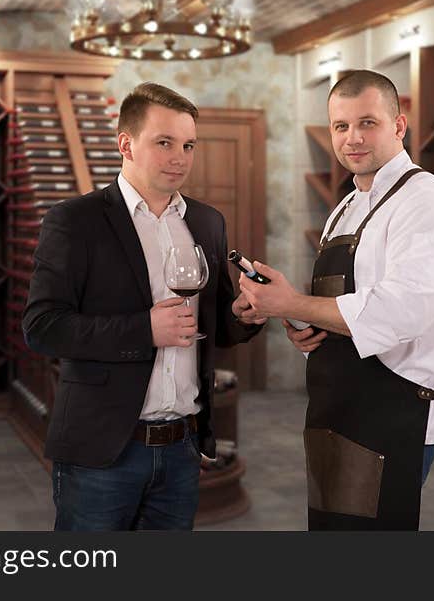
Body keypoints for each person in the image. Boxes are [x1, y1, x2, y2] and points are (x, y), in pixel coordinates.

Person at [22, 82, 265, 531]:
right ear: (126, 144)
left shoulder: (208, 223)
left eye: (189, 145)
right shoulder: (74, 221)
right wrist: (143, 329)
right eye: (165, 143)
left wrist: (247, 313)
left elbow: (219, 325)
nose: (180, 157)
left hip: (182, 448)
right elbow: (42, 327)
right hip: (102, 451)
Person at [239, 69, 434, 531]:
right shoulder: (345, 207)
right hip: (335, 410)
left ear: (398, 126)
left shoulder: (427, 203)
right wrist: (303, 326)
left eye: (368, 123)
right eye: (341, 126)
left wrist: (291, 304)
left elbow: (399, 312)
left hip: (392, 418)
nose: (352, 138)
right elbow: (343, 307)